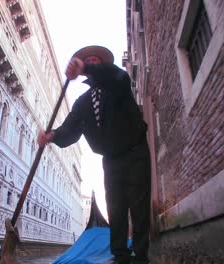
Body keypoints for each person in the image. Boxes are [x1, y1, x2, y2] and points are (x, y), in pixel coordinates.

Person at [38, 46, 151, 264]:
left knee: (139, 207)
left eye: (94, 61)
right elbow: (69, 130)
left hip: (135, 152)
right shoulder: (82, 103)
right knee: (115, 209)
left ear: (102, 65)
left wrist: (84, 66)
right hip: (110, 160)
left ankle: (141, 257)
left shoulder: (118, 81)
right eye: (86, 61)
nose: (90, 63)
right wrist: (50, 136)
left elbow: (114, 76)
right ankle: (120, 256)